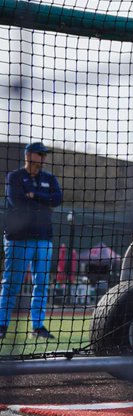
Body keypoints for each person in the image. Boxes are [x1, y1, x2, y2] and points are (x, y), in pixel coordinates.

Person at [0, 142, 63, 341]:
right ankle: (2, 325)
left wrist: (35, 195)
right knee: (12, 283)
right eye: (39, 154)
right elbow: (18, 202)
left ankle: (37, 326)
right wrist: (44, 201)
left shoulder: (49, 178)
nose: (43, 158)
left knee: (42, 284)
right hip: (19, 238)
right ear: (28, 155)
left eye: (45, 154)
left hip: (44, 239)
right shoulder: (14, 177)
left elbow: (58, 198)